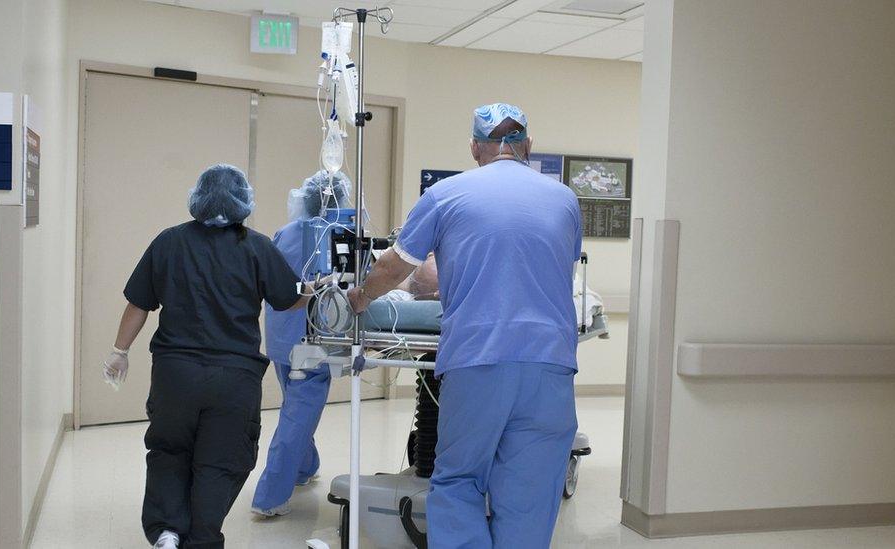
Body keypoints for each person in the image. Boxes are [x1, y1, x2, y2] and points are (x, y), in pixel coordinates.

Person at [348, 103, 582, 548]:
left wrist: (360, 296)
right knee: (530, 494)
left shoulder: (446, 195)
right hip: (550, 365)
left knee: (458, 481)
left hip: (478, 360)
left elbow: (396, 267)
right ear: (528, 146)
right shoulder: (565, 199)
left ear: (476, 147)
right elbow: (557, 269)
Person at [101, 164, 315, 549]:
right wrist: (312, 289)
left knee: (169, 450)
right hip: (233, 378)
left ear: (196, 198)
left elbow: (139, 303)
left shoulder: (168, 242)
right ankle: (202, 537)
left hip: (175, 375)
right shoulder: (257, 247)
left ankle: (167, 531)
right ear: (243, 202)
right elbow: (288, 301)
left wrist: (120, 351)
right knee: (220, 460)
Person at [251, 170, 352, 517]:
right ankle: (269, 497)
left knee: (296, 407)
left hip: (281, 337)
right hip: (315, 342)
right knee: (296, 416)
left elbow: (274, 280)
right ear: (341, 200)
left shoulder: (286, 232)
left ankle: (305, 468)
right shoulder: (343, 235)